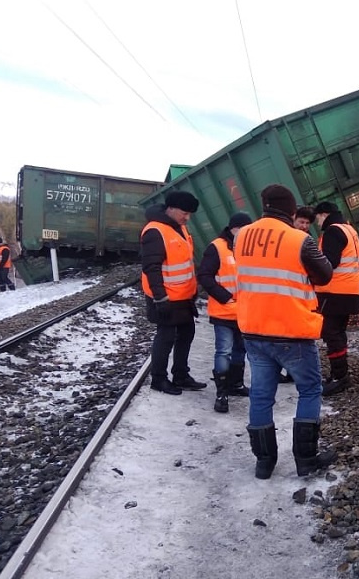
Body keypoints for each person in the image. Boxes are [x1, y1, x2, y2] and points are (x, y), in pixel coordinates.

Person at [235, 184, 335, 479]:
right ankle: (305, 459)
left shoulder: (241, 238)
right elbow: (325, 274)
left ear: (264, 206)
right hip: (292, 331)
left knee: (261, 396)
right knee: (310, 390)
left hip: (254, 331)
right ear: (292, 212)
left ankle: (264, 463)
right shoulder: (300, 240)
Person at [141, 191, 207, 395]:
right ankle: (159, 379)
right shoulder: (155, 231)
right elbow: (151, 267)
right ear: (170, 208)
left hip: (184, 296)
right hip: (166, 297)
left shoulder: (180, 228)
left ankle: (181, 375)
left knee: (187, 333)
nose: (187, 218)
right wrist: (160, 297)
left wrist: (193, 290)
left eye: (190, 214)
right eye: (184, 213)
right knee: (166, 336)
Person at [197, 212, 253, 413]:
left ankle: (236, 385)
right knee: (224, 351)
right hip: (224, 311)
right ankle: (222, 393)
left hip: (245, 312)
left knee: (240, 350)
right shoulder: (217, 247)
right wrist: (225, 296)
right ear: (234, 228)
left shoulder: (247, 248)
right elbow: (204, 275)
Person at [313, 201, 359, 396]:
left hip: (334, 291)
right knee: (338, 332)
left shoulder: (332, 231)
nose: (317, 222)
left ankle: (339, 377)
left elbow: (329, 263)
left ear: (324, 214)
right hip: (349, 290)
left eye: (318, 217)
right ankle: (339, 373)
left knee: (331, 333)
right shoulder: (349, 229)